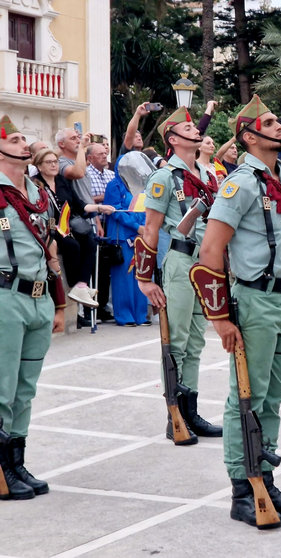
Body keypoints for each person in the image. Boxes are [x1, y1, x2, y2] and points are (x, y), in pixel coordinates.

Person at [189, 95, 281, 528]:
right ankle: (243, 489)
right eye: (270, 123)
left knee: (274, 397)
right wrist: (221, 316)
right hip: (255, 300)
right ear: (249, 136)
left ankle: (266, 478)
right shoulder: (241, 183)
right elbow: (210, 251)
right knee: (247, 396)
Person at [135, 106, 222, 444]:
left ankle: (192, 410)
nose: (196, 129)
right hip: (181, 262)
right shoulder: (164, 177)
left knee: (197, 341)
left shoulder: (208, 174)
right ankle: (175, 416)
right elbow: (151, 229)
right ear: (173, 139)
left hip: (206, 264)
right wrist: (145, 278)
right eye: (188, 127)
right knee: (178, 341)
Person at [0, 115, 65, 499]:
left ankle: (16, 461)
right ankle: (1, 470)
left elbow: (51, 249)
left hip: (39, 297)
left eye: (27, 139)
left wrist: (59, 302)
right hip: (6, 295)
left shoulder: (39, 193)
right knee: (2, 389)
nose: (27, 144)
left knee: (25, 390)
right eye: (18, 138)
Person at [32, 148, 114, 317]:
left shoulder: (62, 181)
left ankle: (81, 286)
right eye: (49, 162)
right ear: (39, 166)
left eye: (55, 161)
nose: (54, 165)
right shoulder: (35, 184)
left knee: (90, 242)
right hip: (49, 226)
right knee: (72, 245)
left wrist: (99, 207)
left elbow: (79, 204)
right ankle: (74, 284)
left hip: (67, 224)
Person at [103, 153, 149, 326]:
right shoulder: (113, 185)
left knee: (142, 274)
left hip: (142, 234)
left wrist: (144, 227)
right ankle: (124, 315)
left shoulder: (141, 185)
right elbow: (116, 211)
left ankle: (141, 314)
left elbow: (147, 207)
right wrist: (137, 227)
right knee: (123, 276)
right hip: (122, 235)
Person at [87, 142, 116, 321]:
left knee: (107, 268)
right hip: (94, 223)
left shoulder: (112, 174)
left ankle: (104, 305)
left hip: (112, 224)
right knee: (96, 267)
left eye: (105, 153)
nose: (105, 156)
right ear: (90, 158)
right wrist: (105, 198)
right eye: (100, 154)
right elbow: (87, 198)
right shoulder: (86, 174)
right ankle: (93, 305)